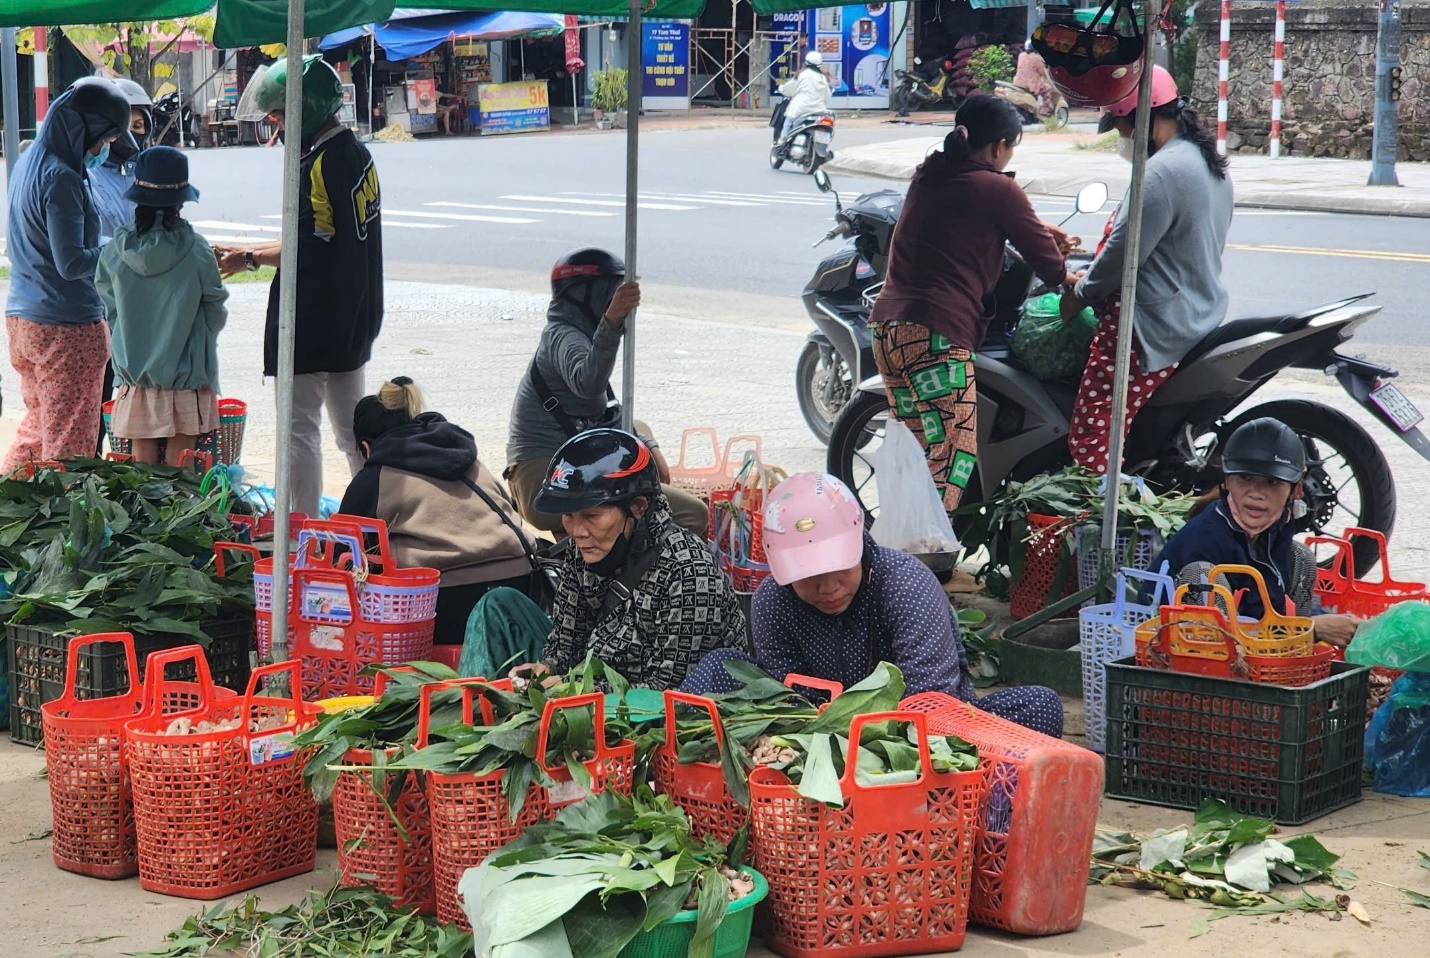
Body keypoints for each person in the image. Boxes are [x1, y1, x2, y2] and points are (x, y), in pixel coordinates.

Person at [702, 472, 1063, 737]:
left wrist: (869, 743)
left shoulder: (906, 585)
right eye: (808, 575)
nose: (828, 588)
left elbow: (931, 700)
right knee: (717, 668)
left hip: (923, 738)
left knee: (1039, 706)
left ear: (858, 540)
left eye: (839, 566)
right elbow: (783, 697)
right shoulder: (773, 601)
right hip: (814, 739)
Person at [868, 94, 1077, 514]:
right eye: (1012, 147)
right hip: (935, 336)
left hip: (889, 331)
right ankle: (928, 562)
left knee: (917, 451)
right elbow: (1050, 267)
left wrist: (1033, 227)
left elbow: (967, 222)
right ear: (1000, 146)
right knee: (952, 454)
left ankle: (898, 550)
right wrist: (1075, 281)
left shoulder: (930, 173)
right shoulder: (998, 187)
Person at [219, 55, 383, 516]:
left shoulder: (319, 164)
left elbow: (307, 245)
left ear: (306, 109)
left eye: (279, 113)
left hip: (312, 325)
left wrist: (248, 259)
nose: (273, 122)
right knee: (355, 437)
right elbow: (321, 233)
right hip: (353, 319)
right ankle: (372, 523)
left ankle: (300, 532)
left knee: (298, 433)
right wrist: (247, 251)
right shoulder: (357, 155)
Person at [466, 429, 748, 687]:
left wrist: (573, 690)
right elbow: (566, 642)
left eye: (591, 516)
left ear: (637, 507)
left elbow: (669, 693)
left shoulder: (690, 572)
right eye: (568, 516)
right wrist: (548, 668)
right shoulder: (583, 547)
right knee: (497, 604)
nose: (576, 531)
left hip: (664, 714)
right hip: (593, 679)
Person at [1058, 66, 1234, 475]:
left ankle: (1098, 520)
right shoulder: (1204, 161)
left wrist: (1079, 295)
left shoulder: (1160, 174)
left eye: (1121, 127)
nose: (1122, 138)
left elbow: (1123, 255)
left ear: (1141, 116)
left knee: (1092, 433)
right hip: (1195, 316)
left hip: (1146, 328)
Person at [505, 248, 709, 538]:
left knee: (639, 428)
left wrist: (649, 445)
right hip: (543, 480)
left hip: (571, 461)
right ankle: (643, 574)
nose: (616, 299)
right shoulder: (563, 335)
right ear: (587, 294)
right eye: (610, 292)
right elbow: (587, 384)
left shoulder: (581, 333)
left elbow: (607, 412)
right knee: (693, 515)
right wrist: (611, 322)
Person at [340, 376, 551, 644]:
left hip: (446, 601)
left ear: (367, 447)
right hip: (522, 585)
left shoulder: (375, 477)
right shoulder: (466, 455)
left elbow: (339, 551)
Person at [3, 81, 137, 471]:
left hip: (24, 321)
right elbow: (72, 262)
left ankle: (9, 513)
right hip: (66, 330)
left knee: (38, 433)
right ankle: (65, 530)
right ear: (84, 130)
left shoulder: (30, 161)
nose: (102, 150)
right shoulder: (61, 177)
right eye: (104, 139)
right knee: (69, 451)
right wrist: (124, 246)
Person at [1150, 418, 1362, 648]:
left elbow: (1268, 611)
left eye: (1272, 482)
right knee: (1203, 575)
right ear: (1227, 481)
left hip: (1257, 639)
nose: (1257, 493)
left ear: (1296, 491)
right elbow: (1223, 636)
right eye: (1245, 478)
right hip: (1191, 651)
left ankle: (1295, 657)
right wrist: (1312, 629)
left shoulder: (1276, 528)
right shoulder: (1205, 537)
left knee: (1301, 555)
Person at [94, 147, 227, 467]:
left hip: (136, 379)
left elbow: (108, 305)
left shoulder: (114, 251)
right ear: (180, 202)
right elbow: (215, 308)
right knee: (183, 479)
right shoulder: (196, 250)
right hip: (187, 377)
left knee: (144, 477)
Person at [79, 76, 153, 457]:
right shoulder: (86, 174)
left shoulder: (140, 170)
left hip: (137, 305)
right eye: (127, 126)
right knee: (96, 401)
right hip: (100, 306)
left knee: (137, 404)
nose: (132, 135)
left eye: (140, 125)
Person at [778, 50, 833, 142]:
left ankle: (782, 140)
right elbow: (827, 97)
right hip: (819, 110)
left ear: (806, 62)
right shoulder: (823, 78)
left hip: (801, 110)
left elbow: (789, 89)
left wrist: (781, 88)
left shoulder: (803, 75)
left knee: (789, 120)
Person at [1012, 40, 1055, 116]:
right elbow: (1044, 72)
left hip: (1018, 83)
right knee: (1048, 89)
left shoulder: (1021, 56)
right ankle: (1044, 110)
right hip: (1031, 84)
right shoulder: (1037, 58)